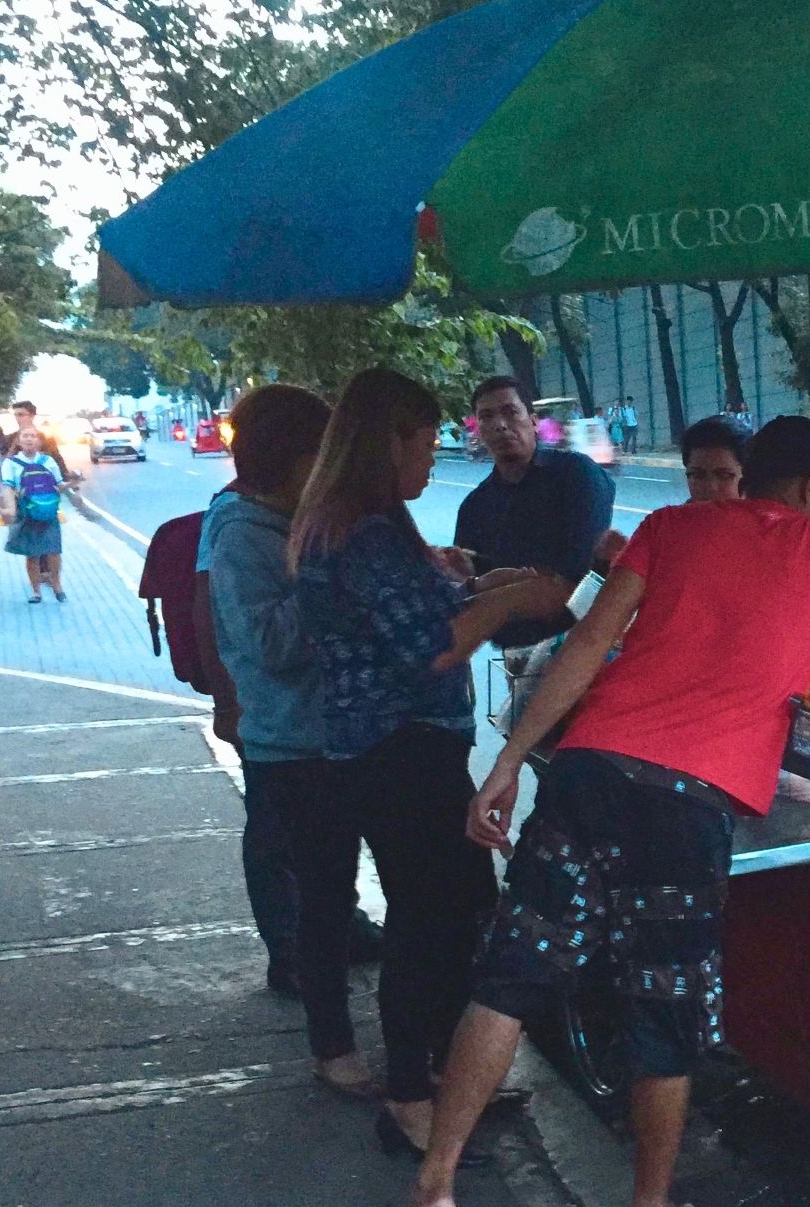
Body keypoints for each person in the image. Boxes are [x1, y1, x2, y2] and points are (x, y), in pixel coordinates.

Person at [391, 416, 810, 1207]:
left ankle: (436, 1181)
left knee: (511, 974)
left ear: (750, 478)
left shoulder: (669, 528)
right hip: (687, 804)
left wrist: (510, 763)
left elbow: (591, 642)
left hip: (588, 773)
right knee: (663, 1009)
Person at [289, 367, 569, 1159]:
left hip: (389, 752)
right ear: (387, 445)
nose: (431, 457)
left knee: (451, 912)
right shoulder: (363, 531)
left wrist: (484, 583)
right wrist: (514, 603)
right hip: (399, 755)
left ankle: (444, 1075)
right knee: (429, 925)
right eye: (422, 442)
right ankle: (412, 1096)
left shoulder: (357, 525)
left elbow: (418, 611)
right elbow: (433, 650)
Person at [194, 385, 380, 1089]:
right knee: (320, 897)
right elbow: (269, 642)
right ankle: (333, 1046)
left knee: (353, 890)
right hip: (291, 746)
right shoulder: (242, 534)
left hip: (348, 735)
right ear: (287, 459)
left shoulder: (303, 520)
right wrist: (328, 577)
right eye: (320, 456)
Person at [452, 376, 614, 653]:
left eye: (510, 412)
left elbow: (579, 574)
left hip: (585, 645)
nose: (500, 425)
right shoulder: (474, 507)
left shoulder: (577, 475)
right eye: (487, 416)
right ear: (478, 429)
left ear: (534, 420)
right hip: (515, 654)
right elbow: (465, 585)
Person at [1, 425, 74, 602]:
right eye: (25, 436)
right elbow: (8, 487)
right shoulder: (11, 463)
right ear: (18, 441)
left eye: (33, 436)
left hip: (48, 511)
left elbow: (58, 485)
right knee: (32, 553)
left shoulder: (48, 461)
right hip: (26, 512)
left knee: (54, 551)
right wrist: (10, 508)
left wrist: (71, 484)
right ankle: (36, 591)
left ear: (39, 441)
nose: (29, 439)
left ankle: (57, 585)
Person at [680, 416, 748, 502]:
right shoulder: (672, 515)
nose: (710, 488)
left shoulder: (765, 515)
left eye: (724, 476)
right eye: (697, 476)